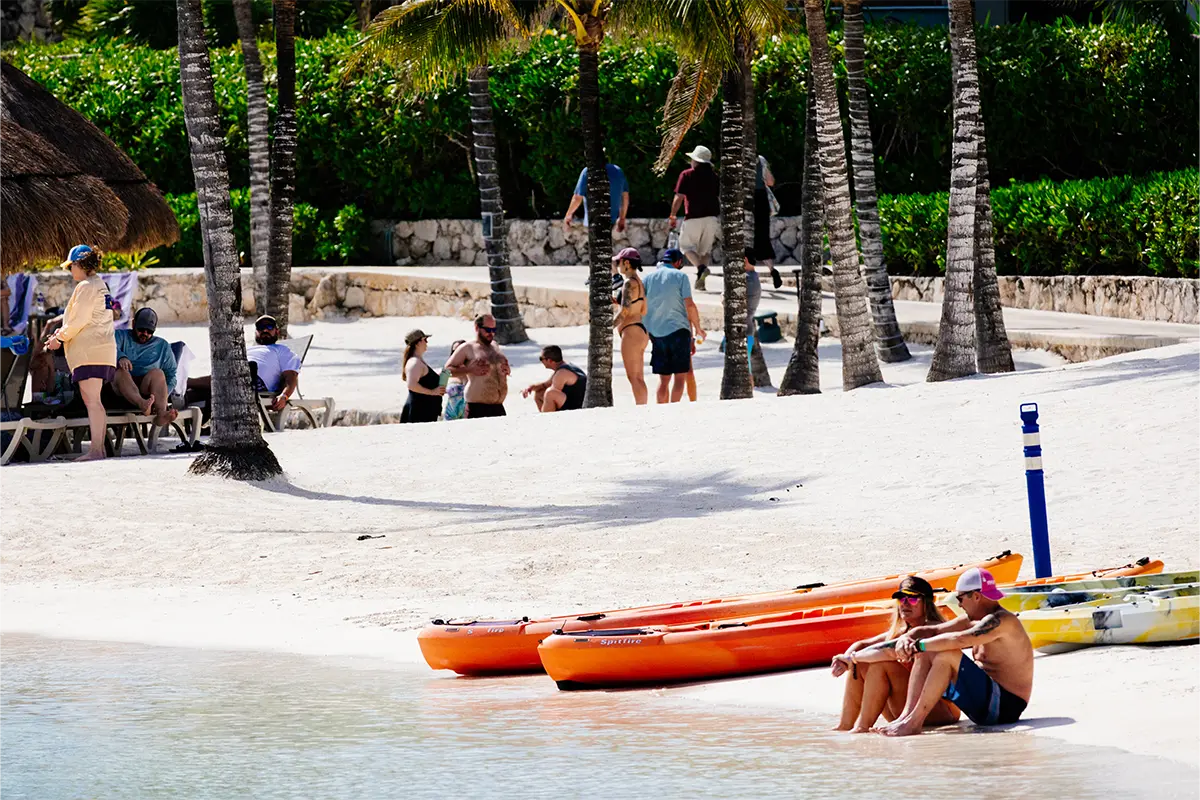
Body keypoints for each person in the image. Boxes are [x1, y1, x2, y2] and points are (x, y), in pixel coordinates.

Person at [855, 568, 1035, 736]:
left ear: (976, 596)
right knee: (929, 648)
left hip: (1005, 707)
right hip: (985, 703)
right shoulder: (973, 619)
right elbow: (935, 631)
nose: (959, 604)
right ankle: (907, 717)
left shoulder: (1002, 621)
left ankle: (914, 722)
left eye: (960, 598)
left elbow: (960, 639)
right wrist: (907, 638)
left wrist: (919, 645)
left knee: (945, 652)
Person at [830, 576, 961, 733]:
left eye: (912, 599)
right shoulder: (901, 633)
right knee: (861, 662)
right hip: (904, 710)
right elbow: (862, 644)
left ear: (926, 602)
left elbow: (888, 652)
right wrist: (845, 659)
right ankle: (845, 725)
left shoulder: (932, 629)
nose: (905, 603)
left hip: (940, 709)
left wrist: (851, 658)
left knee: (882, 664)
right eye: (901, 599)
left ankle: (862, 727)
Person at [43, 244, 116, 461]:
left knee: (92, 401)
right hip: (103, 349)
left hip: (89, 351)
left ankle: (95, 450)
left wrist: (58, 339)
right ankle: (99, 450)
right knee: (96, 401)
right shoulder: (100, 285)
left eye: (71, 266)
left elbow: (80, 320)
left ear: (79, 264)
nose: (70, 271)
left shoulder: (85, 286)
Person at [643, 248, 705, 404]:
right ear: (678, 262)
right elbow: (689, 305)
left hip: (656, 333)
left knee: (663, 380)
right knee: (679, 377)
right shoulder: (680, 276)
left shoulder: (648, 278)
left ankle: (661, 411)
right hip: (678, 331)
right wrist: (698, 329)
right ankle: (675, 410)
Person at [110, 308, 178, 427]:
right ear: (133, 324)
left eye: (149, 331)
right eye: (141, 329)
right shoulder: (120, 336)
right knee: (121, 371)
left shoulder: (162, 346)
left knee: (158, 373)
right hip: (121, 389)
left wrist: (163, 395)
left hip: (146, 390)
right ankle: (142, 404)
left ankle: (161, 414)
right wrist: (121, 357)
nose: (145, 333)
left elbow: (171, 375)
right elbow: (109, 348)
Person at [668, 145, 721, 291]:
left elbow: (679, 197)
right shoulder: (714, 177)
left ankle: (701, 268)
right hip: (712, 218)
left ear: (695, 161)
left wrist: (673, 214)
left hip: (693, 217)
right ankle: (700, 282)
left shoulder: (687, 174)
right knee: (705, 251)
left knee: (685, 247)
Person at [445, 314, 510, 418]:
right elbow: (446, 371)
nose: (491, 333)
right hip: (477, 408)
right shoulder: (468, 347)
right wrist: (470, 370)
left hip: (499, 407)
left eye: (494, 329)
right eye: (488, 330)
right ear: (477, 328)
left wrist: (506, 369)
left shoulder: (495, 345)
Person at [611, 247, 649, 405]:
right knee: (639, 377)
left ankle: (641, 410)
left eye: (619, 262)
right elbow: (643, 309)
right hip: (640, 330)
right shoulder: (639, 282)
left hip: (631, 332)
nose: (617, 265)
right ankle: (643, 407)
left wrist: (608, 327)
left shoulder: (628, 283)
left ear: (626, 263)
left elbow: (625, 311)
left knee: (633, 377)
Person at [563, 162, 629, 234]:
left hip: (593, 220)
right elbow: (625, 197)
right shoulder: (618, 170)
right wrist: (622, 218)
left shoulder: (588, 171)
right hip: (610, 219)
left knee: (596, 244)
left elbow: (577, 198)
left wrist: (568, 215)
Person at [522, 345, 587, 412]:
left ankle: (547, 417)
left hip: (577, 405)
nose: (541, 361)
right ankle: (544, 414)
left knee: (550, 393)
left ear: (549, 360)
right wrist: (530, 388)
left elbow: (552, 393)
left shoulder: (561, 373)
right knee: (539, 393)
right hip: (572, 399)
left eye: (541, 358)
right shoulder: (564, 367)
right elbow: (545, 384)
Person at [400, 328, 445, 423]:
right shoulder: (414, 362)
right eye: (425, 340)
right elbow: (412, 385)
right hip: (419, 411)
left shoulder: (418, 361)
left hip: (425, 410)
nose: (426, 343)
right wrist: (432, 392)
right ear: (417, 343)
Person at [752, 155, 783, 289]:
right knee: (763, 237)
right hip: (762, 199)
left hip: (749, 198)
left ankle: (749, 275)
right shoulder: (760, 159)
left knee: (746, 237)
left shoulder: (737, 157)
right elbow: (770, 181)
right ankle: (772, 270)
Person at [442, 339, 468, 421]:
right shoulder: (447, 370)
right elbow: (438, 387)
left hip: (470, 410)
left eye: (460, 350)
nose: (457, 354)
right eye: (454, 351)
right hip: (452, 412)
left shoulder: (473, 368)